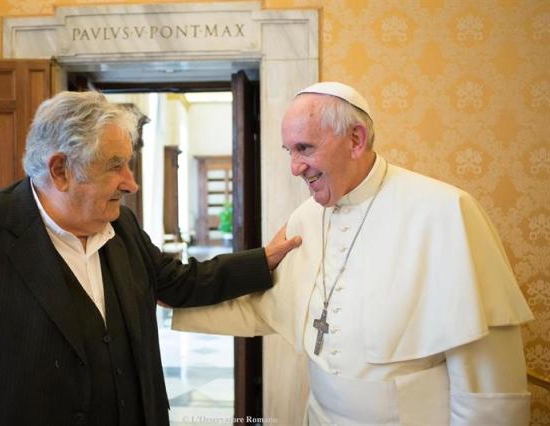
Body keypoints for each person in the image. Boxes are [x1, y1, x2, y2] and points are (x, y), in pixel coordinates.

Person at [0, 91, 301, 426]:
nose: (130, 182)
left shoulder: (122, 225)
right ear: (61, 170)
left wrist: (263, 260)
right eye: (115, 166)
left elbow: (179, 281)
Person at [173, 82, 534, 425]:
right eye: (290, 151)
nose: (295, 167)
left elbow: (488, 379)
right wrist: (167, 293)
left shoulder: (445, 211)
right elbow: (266, 306)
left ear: (355, 140)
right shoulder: (306, 219)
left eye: (305, 148)